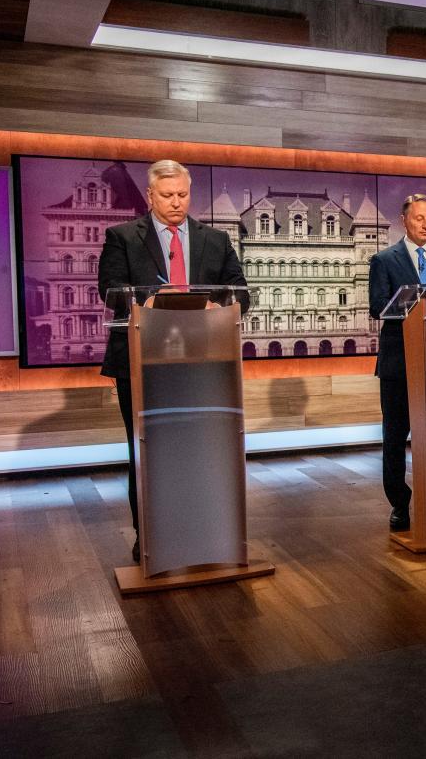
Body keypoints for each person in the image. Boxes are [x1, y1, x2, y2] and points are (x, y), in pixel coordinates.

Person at [98, 159, 248, 563]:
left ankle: (204, 528)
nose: (176, 202)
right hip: (141, 358)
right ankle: (148, 537)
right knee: (146, 450)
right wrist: (146, 303)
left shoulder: (215, 240)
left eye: (182, 194)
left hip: (206, 359)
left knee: (202, 448)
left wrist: (214, 306)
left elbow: (240, 292)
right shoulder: (123, 237)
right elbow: (110, 292)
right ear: (150, 196)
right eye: (167, 196)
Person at [368, 194, 426, 531]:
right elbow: (378, 306)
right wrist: (413, 304)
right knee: (395, 436)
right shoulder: (384, 260)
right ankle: (399, 502)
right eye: (419, 218)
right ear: (404, 220)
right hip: (399, 363)